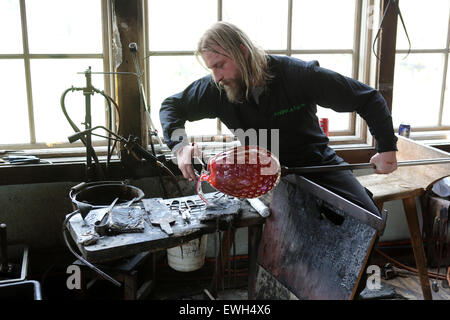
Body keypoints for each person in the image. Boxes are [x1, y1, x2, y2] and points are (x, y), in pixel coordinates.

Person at [159, 21, 398, 216]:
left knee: (367, 218)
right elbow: (171, 106)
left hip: (315, 165)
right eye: (211, 69)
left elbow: (367, 98)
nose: (217, 77)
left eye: (220, 65)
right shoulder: (217, 89)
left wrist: (386, 147)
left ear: (242, 52)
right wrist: (179, 146)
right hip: (260, 175)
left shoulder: (298, 75)